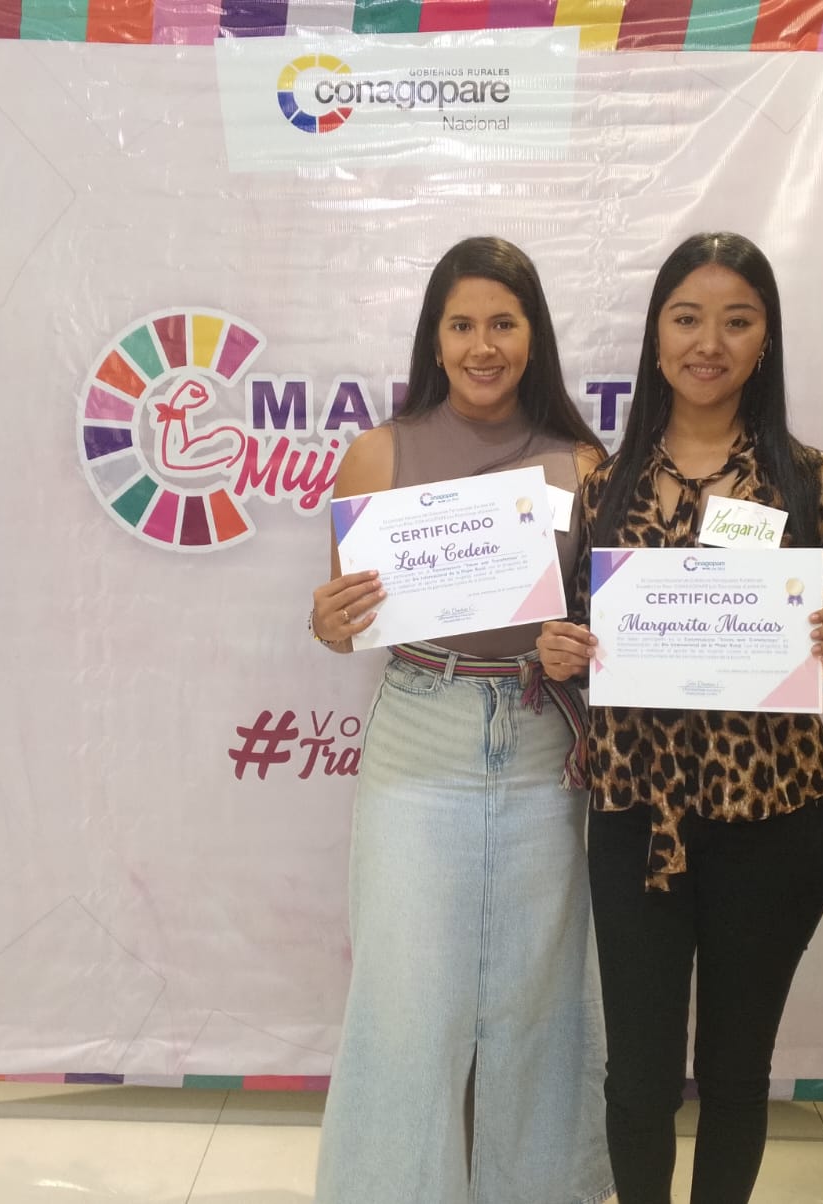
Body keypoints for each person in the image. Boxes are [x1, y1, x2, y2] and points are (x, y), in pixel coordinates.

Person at [537, 231, 823, 1204]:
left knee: (734, 1075)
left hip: (773, 824)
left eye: (737, 320)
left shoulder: (811, 480)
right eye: (687, 318)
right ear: (656, 335)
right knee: (637, 1079)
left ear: (765, 339)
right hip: (636, 821)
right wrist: (562, 652)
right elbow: (584, 640)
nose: (709, 342)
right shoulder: (604, 487)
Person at [309, 236, 614, 1204]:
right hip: (421, 727)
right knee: (403, 1001)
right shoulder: (378, 452)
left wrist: (578, 645)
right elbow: (345, 620)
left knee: (542, 998)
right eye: (462, 325)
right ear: (434, 339)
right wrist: (327, 621)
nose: (483, 346)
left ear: (534, 336)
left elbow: (609, 628)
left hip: (541, 738)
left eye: (503, 324)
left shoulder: (584, 464)